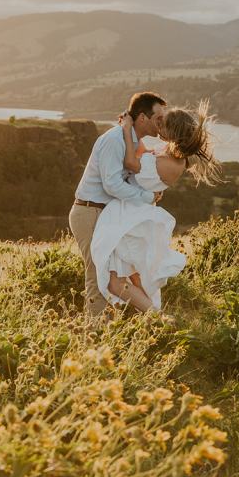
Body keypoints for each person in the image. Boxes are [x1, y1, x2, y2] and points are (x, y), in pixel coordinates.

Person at [91, 100, 222, 312]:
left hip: (130, 218)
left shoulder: (171, 161)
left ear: (174, 131)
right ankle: (153, 315)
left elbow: (132, 163)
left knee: (117, 280)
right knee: (132, 275)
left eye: (163, 123)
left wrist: (126, 130)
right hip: (134, 213)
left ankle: (156, 318)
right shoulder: (170, 153)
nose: (159, 126)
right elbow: (143, 152)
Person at [69, 92, 167, 320]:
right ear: (142, 118)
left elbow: (134, 173)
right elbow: (112, 183)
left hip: (107, 216)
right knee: (97, 274)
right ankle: (92, 337)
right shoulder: (114, 139)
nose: (162, 123)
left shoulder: (134, 142)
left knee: (121, 273)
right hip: (89, 211)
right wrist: (146, 196)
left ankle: (144, 320)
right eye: (159, 118)